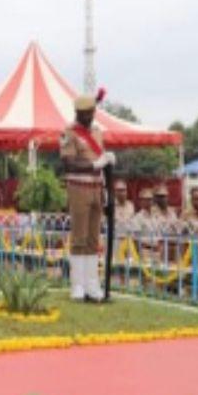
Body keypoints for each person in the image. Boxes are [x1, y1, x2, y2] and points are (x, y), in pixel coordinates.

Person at [59, 94, 115, 302]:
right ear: (78, 113)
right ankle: (78, 285)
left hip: (96, 187)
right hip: (78, 187)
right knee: (79, 238)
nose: (89, 117)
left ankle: (92, 284)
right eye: (85, 114)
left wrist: (106, 161)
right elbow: (69, 163)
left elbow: (99, 158)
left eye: (91, 113)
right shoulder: (69, 133)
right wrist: (94, 164)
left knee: (93, 238)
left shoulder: (97, 132)